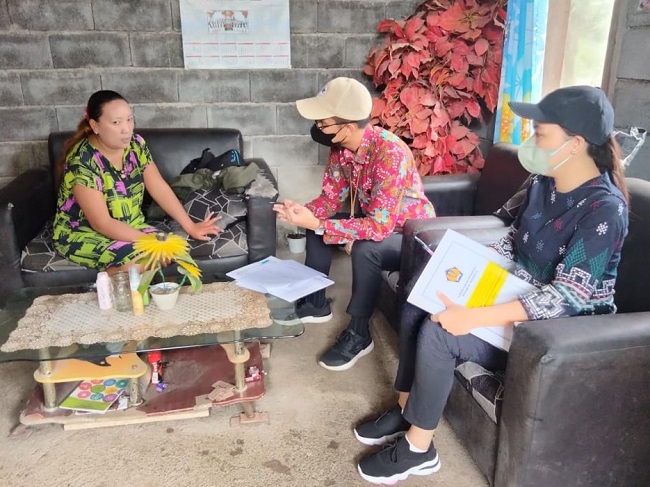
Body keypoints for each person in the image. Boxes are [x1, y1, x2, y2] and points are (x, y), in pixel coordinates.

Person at [353, 85, 630, 484]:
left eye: (540, 133)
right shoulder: (542, 182)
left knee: (441, 331)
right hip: (516, 291)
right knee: (419, 294)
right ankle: (406, 406)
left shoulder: (605, 210)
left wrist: (473, 316)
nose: (531, 142)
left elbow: (567, 296)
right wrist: (469, 262)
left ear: (576, 143)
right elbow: (513, 238)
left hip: (555, 329)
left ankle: (419, 449)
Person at [273, 77, 436, 371]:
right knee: (316, 225)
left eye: (323, 123)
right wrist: (303, 211)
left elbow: (380, 227)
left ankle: (360, 334)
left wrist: (321, 223)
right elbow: (330, 198)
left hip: (411, 235)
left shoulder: (390, 153)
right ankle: (315, 302)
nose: (317, 128)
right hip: (376, 222)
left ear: (347, 127)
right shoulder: (341, 148)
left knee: (365, 248)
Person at [53, 90, 222, 274]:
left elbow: (159, 187)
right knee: (146, 258)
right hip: (83, 232)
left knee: (171, 251)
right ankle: (105, 285)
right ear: (95, 125)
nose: (126, 129)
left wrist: (190, 226)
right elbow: (102, 223)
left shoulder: (136, 145)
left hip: (130, 225)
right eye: (116, 122)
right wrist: (149, 242)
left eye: (129, 119)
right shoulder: (82, 162)